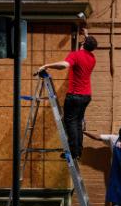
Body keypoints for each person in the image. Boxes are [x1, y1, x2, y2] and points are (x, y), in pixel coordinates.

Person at [38, 28, 98, 159]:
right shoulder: (92, 58)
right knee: (77, 122)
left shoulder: (75, 55)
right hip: (86, 96)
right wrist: (87, 36)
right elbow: (88, 45)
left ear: (83, 44)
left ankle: (72, 151)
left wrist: (47, 65)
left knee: (70, 122)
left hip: (75, 96)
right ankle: (78, 151)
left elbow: (64, 65)